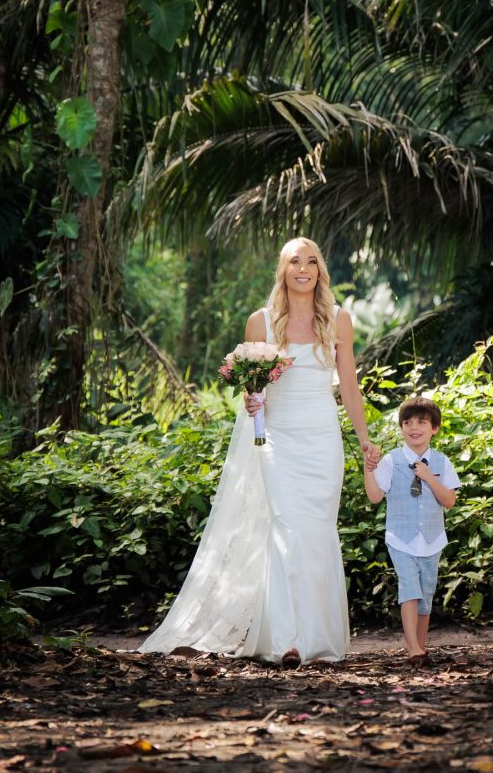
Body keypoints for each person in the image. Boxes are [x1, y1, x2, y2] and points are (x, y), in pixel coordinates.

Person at [139, 236, 379, 666]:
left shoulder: (339, 320)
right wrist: (253, 402)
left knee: (317, 531)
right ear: (283, 270)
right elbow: (254, 390)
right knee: (285, 527)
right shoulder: (261, 323)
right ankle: (287, 641)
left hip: (322, 438)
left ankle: (319, 638)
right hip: (278, 440)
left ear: (320, 270)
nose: (303, 269)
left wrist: (363, 439)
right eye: (294, 262)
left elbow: (349, 385)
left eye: (311, 262)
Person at [363, 396, 459, 662]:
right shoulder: (391, 461)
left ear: (434, 428)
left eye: (421, 422)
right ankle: (412, 647)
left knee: (426, 594)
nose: (414, 427)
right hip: (401, 539)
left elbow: (449, 501)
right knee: (409, 587)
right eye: (407, 423)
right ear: (401, 427)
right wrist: (368, 468)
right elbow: (374, 496)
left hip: (432, 539)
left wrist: (429, 478)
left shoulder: (441, 462)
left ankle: (420, 646)